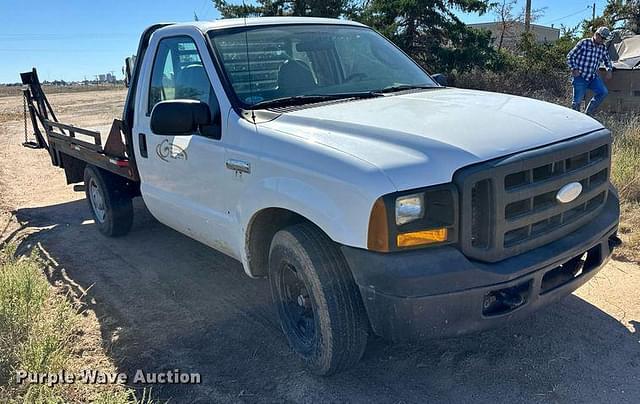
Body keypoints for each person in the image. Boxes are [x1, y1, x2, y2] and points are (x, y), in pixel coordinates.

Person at [566, 26, 614, 116]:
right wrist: (574, 68)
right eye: (602, 38)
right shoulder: (584, 43)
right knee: (577, 102)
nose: (603, 41)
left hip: (592, 77)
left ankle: (588, 114)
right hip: (580, 76)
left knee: (603, 92)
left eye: (605, 39)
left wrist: (609, 70)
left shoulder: (602, 48)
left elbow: (607, 60)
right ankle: (575, 121)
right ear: (597, 35)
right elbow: (570, 56)